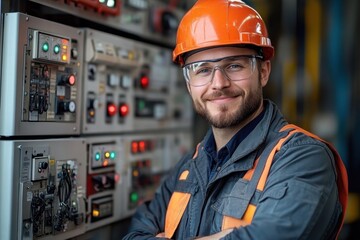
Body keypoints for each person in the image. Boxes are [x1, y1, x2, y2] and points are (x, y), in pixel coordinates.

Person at [123, 0, 348, 239]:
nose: (219, 83)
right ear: (189, 84)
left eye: (234, 66)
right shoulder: (190, 166)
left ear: (263, 72)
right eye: (203, 69)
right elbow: (134, 235)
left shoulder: (303, 158)